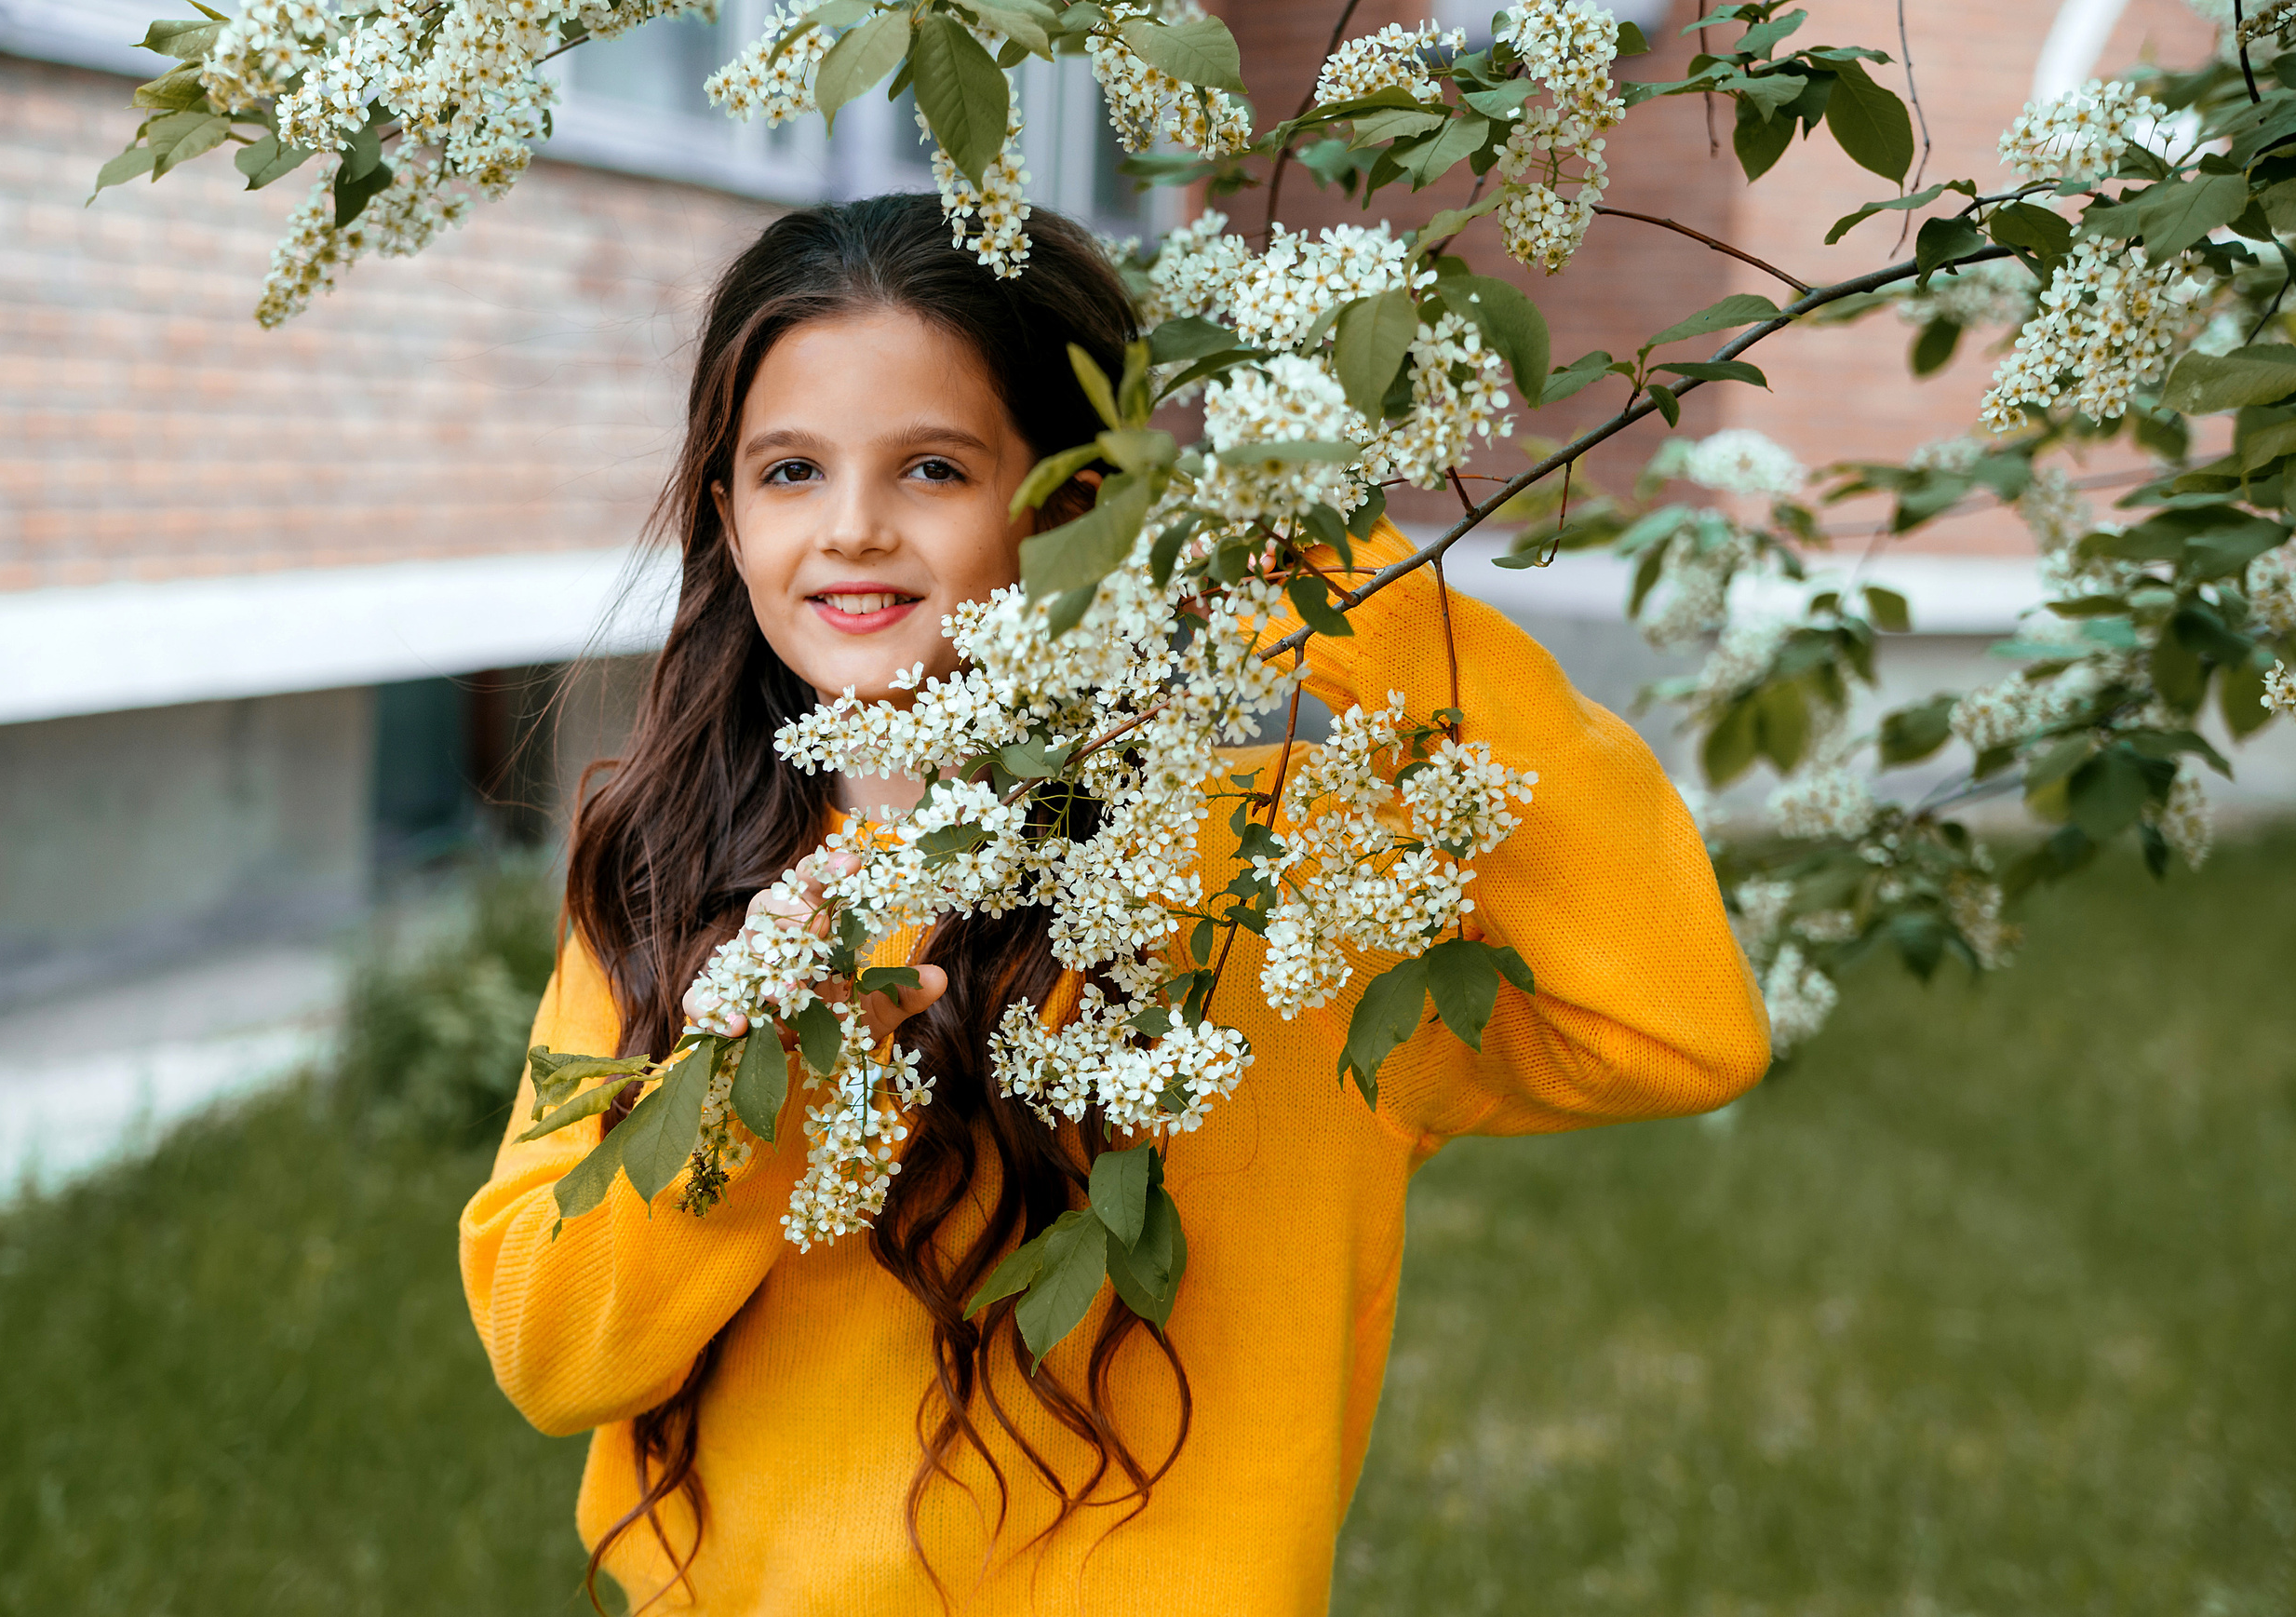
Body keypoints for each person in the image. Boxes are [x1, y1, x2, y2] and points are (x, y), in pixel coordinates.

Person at [459, 191, 1769, 1615]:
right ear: (724, 509)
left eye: (935, 470)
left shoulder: (1273, 882)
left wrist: (1359, 595)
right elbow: (550, 1350)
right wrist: (744, 1097)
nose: (852, 529)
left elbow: (1680, 1025)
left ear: (1075, 504)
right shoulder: (675, 885)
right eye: (789, 471)